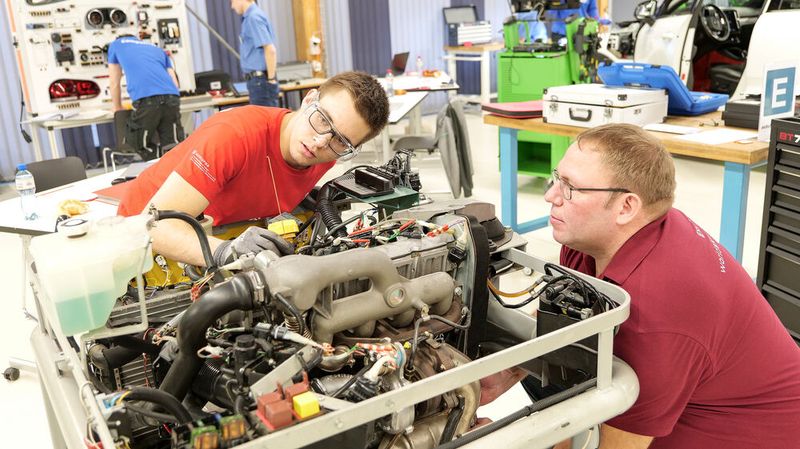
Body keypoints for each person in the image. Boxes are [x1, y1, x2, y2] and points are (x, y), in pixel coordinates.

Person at [481, 124, 800, 448]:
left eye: (570, 188)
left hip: (747, 432)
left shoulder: (657, 314)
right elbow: (561, 325)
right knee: (552, 385)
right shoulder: (592, 237)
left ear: (626, 207)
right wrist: (504, 372)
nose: (550, 195)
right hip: (687, 389)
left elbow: (615, 446)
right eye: (556, 178)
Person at [117, 71, 389, 268]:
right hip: (145, 242)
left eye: (340, 140)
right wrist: (226, 251)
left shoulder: (325, 151)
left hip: (224, 228)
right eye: (322, 119)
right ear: (308, 100)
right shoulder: (234, 135)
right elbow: (153, 228)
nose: (320, 142)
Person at [108, 34, 184, 160]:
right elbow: (175, 82)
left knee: (137, 141)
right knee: (173, 145)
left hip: (147, 100)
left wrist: (117, 107)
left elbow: (114, 82)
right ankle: (172, 170)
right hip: (171, 97)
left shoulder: (116, 45)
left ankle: (157, 166)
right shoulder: (156, 48)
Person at [231, 0, 280, 106]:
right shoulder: (251, 17)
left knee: (265, 121)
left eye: (233, 1)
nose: (232, 6)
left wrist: (271, 80)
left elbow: (270, 49)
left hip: (261, 81)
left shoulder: (253, 18)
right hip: (258, 81)